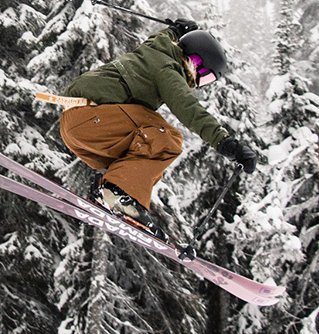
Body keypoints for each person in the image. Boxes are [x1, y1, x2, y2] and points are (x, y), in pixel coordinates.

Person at [56, 19, 257, 240]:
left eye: (207, 81)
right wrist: (226, 143)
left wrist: (176, 30)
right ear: (194, 60)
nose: (199, 81)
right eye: (204, 73)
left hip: (76, 126)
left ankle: (113, 193)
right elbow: (187, 107)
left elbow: (162, 38)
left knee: (141, 152)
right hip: (93, 118)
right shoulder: (168, 67)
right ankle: (118, 194)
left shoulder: (154, 49)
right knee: (166, 139)